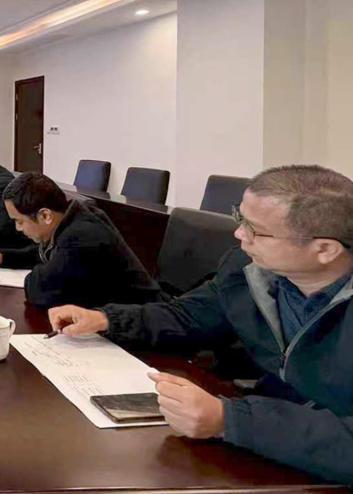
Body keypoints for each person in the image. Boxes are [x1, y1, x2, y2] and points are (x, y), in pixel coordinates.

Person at [48, 165, 353, 485]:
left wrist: (231, 420)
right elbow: (189, 315)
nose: (239, 234)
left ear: (325, 249)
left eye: (256, 230)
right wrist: (107, 319)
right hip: (267, 445)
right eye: (240, 218)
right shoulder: (248, 269)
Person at [0, 172, 164, 307]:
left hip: (140, 327)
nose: (17, 228)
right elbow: (43, 255)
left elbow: (39, 290)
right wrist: (3, 257)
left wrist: (40, 272)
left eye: (19, 221)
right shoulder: (70, 218)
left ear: (45, 215)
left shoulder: (82, 235)